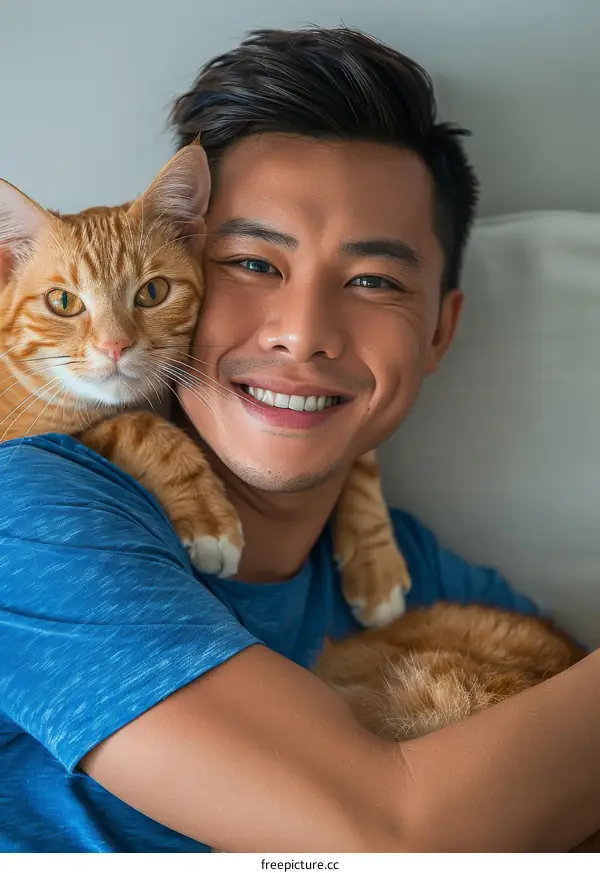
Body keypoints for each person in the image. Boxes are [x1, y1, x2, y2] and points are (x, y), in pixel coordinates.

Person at [1, 26, 600, 854]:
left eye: (373, 280)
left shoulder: (420, 573)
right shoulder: (28, 510)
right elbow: (386, 841)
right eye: (253, 264)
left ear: (438, 332)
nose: (304, 333)